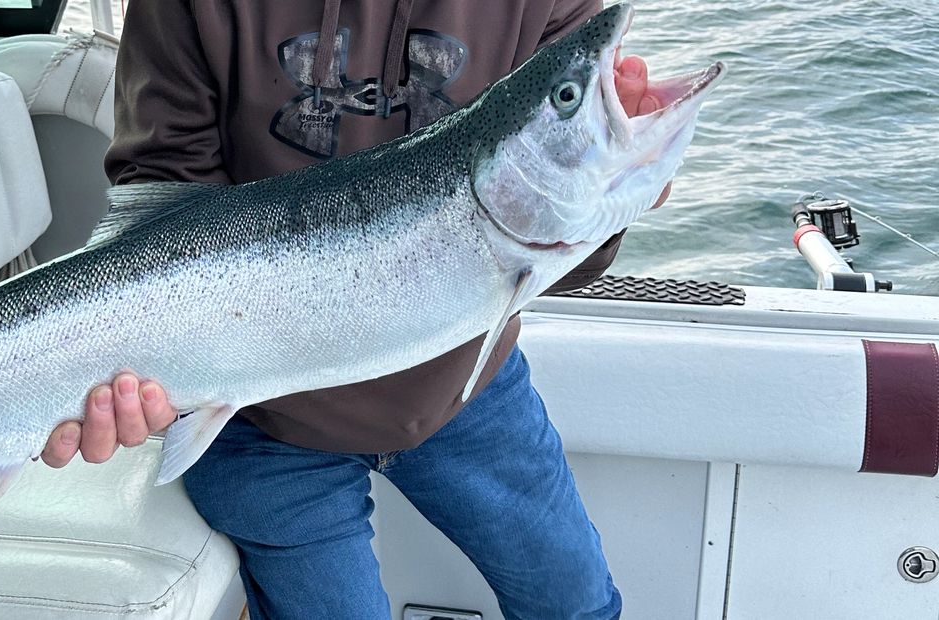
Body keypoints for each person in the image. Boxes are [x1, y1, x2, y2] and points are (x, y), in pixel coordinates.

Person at [42, 1, 668, 617]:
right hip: (262, 420)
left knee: (578, 606)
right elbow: (165, 200)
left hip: (462, 385)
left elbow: (558, 236)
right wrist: (150, 364)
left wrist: (610, 194)